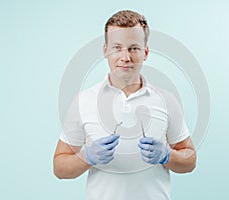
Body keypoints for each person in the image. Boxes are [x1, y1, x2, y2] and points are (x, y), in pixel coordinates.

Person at [53, 10, 196, 200]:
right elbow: (59, 168)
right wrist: (86, 157)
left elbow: (190, 160)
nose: (125, 57)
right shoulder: (83, 101)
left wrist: (167, 155)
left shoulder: (166, 100)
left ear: (145, 52)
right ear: (106, 51)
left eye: (134, 48)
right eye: (117, 47)